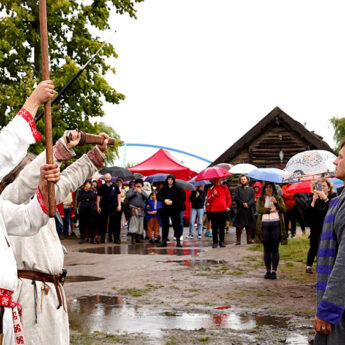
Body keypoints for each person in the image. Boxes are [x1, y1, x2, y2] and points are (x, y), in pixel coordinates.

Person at [4, 132, 108, 345]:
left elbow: (68, 180)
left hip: (52, 292)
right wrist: (60, 148)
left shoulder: (44, 199)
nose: (43, 177)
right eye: (37, 171)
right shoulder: (8, 198)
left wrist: (93, 156)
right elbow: (26, 182)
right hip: (27, 292)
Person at [313, 141, 345, 344]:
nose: (335, 160)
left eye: (341, 157)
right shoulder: (340, 199)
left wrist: (329, 308)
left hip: (339, 309)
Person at [255, 182, 287, 280]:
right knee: (266, 248)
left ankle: (274, 271)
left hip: (276, 223)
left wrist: (276, 203)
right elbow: (259, 210)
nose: (269, 189)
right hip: (264, 224)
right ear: (264, 189)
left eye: (271, 187)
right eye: (267, 187)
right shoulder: (261, 198)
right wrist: (269, 210)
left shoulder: (278, 197)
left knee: (275, 248)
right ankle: (267, 270)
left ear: (273, 189)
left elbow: (284, 209)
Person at [305, 178, 336, 274]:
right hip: (316, 228)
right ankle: (310, 266)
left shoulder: (333, 198)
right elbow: (307, 217)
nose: (322, 188)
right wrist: (313, 201)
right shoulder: (313, 199)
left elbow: (333, 211)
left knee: (326, 251)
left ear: (329, 188)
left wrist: (325, 199)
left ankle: (325, 271)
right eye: (319, 186)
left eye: (324, 186)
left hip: (329, 229)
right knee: (314, 247)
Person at [157, 174, 186, 247]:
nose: (170, 181)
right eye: (169, 179)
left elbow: (182, 198)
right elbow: (158, 196)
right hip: (165, 209)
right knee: (165, 225)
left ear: (173, 180)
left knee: (176, 225)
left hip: (175, 209)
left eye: (171, 179)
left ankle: (178, 241)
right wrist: (164, 200)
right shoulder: (163, 188)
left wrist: (173, 201)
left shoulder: (178, 188)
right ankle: (164, 241)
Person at [206, 178, 231, 248]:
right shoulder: (210, 189)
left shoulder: (225, 187)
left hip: (223, 210)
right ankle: (215, 242)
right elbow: (208, 200)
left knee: (222, 227)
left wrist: (228, 206)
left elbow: (228, 198)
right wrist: (213, 195)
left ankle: (222, 241)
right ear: (213, 181)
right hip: (214, 210)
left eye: (219, 180)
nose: (218, 181)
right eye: (216, 180)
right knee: (214, 227)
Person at [97, 173, 121, 243]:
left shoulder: (115, 186)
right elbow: (98, 196)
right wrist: (98, 206)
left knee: (115, 223)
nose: (107, 179)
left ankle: (116, 238)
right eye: (106, 178)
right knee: (103, 223)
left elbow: (118, 195)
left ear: (111, 178)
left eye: (108, 177)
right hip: (104, 206)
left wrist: (119, 205)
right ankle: (102, 238)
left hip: (114, 206)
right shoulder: (101, 187)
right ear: (104, 178)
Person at [233, 175, 256, 245]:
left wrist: (248, 204)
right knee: (239, 226)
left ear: (247, 180)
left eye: (244, 179)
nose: (243, 180)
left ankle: (249, 239)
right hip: (241, 210)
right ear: (240, 180)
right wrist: (243, 203)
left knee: (249, 226)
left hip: (249, 210)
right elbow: (236, 197)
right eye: (242, 179)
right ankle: (238, 240)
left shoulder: (251, 189)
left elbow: (252, 199)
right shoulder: (237, 189)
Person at [126, 179, 148, 243]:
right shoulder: (131, 190)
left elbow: (147, 197)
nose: (138, 185)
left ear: (142, 185)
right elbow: (127, 196)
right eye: (137, 184)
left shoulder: (143, 191)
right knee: (133, 223)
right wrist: (134, 192)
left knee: (140, 224)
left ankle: (137, 238)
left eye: (140, 184)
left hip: (141, 210)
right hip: (134, 209)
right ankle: (133, 238)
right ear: (135, 184)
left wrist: (141, 192)